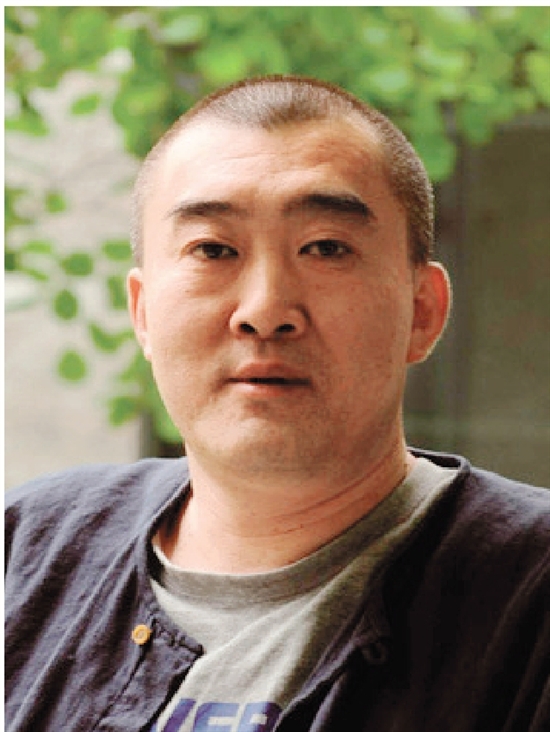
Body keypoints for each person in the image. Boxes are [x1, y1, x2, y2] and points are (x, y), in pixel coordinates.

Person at [5, 75, 549, 732]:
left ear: (424, 311)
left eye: (326, 248)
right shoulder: (28, 550)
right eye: (213, 249)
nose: (265, 310)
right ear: (143, 314)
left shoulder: (529, 597)